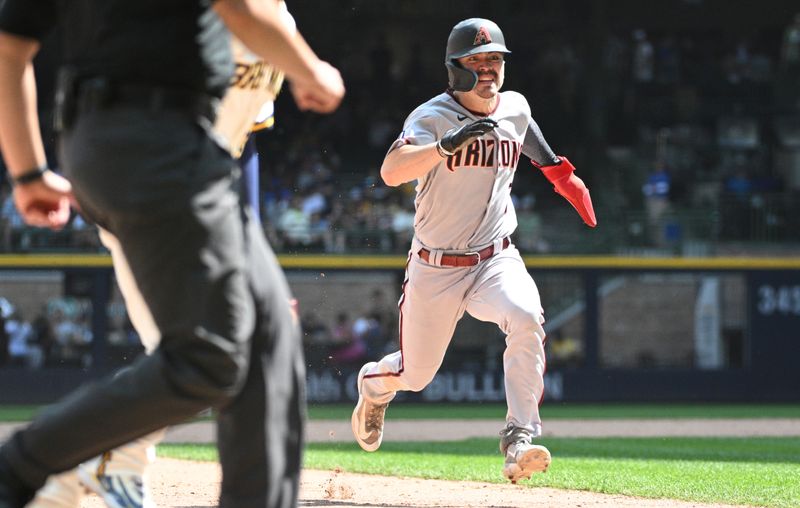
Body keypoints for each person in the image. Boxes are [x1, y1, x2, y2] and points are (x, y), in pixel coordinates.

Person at [0, 2, 344, 508]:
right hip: (157, 152)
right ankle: (27, 465)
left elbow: (10, 46)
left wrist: (27, 171)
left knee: (268, 335)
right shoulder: (263, 25)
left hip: (159, 157)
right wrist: (311, 69)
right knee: (208, 356)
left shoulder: (272, 24)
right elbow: (240, 8)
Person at [350, 18, 596, 483]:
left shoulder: (514, 106)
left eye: (495, 60)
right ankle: (375, 385)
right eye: (476, 61)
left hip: (494, 256)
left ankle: (518, 438)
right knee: (417, 375)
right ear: (454, 68)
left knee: (526, 316)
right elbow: (390, 171)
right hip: (435, 266)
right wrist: (443, 146)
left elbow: (525, 130)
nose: (488, 69)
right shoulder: (430, 117)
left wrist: (561, 174)